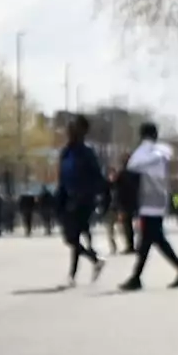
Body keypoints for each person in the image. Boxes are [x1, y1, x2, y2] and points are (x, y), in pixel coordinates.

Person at [120, 123, 178, 290]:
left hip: (147, 202)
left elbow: (131, 165)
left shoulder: (144, 153)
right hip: (160, 199)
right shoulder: (162, 153)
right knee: (153, 239)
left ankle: (137, 277)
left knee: (150, 239)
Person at [56, 115, 106, 286]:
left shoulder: (86, 153)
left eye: (73, 127)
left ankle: (79, 270)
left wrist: (96, 197)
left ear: (82, 131)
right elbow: (62, 177)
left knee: (72, 237)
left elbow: (97, 177)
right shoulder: (66, 152)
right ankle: (89, 263)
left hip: (82, 200)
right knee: (74, 237)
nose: (69, 130)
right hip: (67, 199)